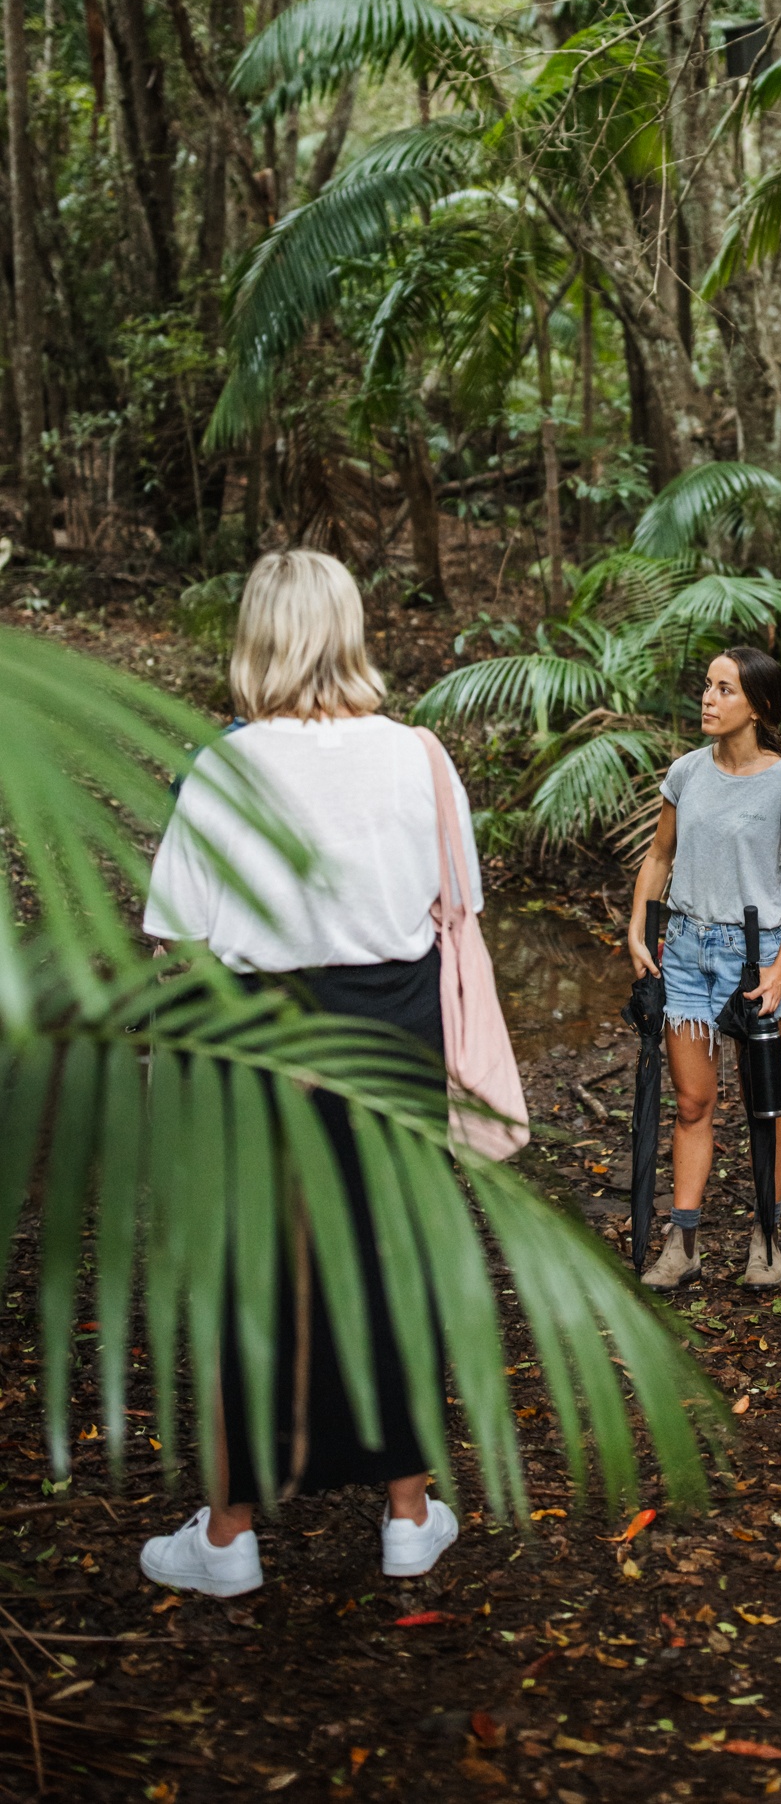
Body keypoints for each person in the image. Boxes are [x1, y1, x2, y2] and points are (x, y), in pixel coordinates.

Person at [138, 548, 473, 1598]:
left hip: (261, 1040)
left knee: (254, 1271)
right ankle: (408, 1515)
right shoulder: (419, 756)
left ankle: (231, 1538)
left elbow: (176, 937)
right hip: (394, 1033)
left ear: (257, 638)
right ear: (351, 631)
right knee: (391, 1257)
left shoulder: (225, 767)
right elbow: (451, 906)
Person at [627, 647, 781, 1293]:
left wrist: (780, 968)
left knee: (766, 1106)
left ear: (759, 706)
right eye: (706, 686)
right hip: (684, 950)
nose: (708, 699)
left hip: (755, 954)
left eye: (725, 689)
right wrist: (636, 927)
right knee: (692, 1104)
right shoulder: (685, 773)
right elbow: (658, 857)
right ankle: (683, 1245)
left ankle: (765, 1236)